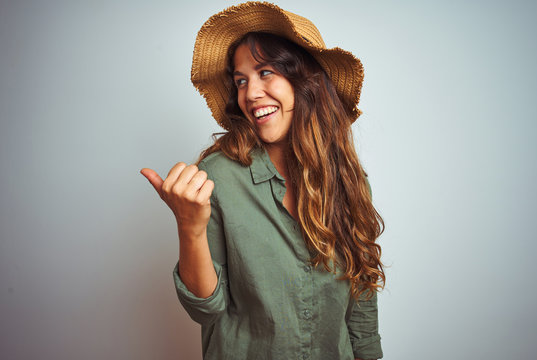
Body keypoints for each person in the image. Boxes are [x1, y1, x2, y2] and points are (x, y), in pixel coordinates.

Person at [141, 2, 385, 359]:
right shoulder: (218, 177)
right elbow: (206, 310)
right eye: (241, 81)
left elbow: (361, 299)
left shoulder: (348, 179)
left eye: (266, 72)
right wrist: (189, 227)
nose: (250, 93)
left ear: (306, 81)